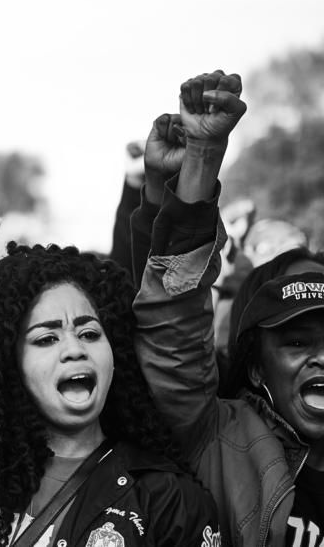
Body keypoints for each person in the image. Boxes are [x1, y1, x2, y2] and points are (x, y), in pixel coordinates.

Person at [0, 40, 219, 546]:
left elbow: (173, 323)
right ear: (9, 364)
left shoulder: (165, 498)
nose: (73, 348)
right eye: (46, 338)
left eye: (89, 332)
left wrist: (197, 165)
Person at [128, 70, 323, 545]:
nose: (322, 358)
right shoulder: (222, 440)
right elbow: (172, 328)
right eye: (297, 343)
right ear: (256, 369)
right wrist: (203, 156)